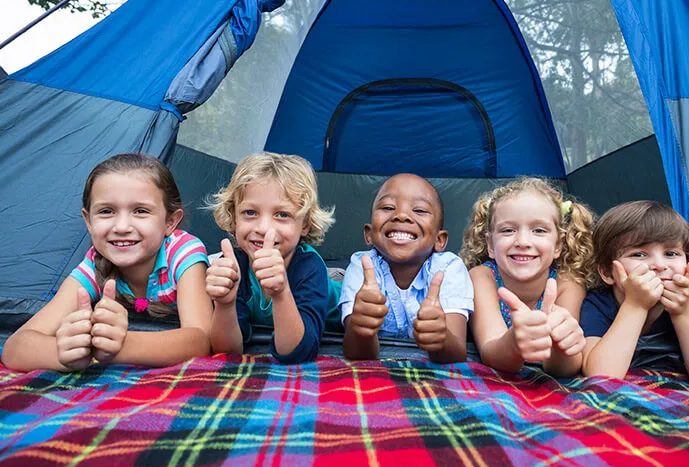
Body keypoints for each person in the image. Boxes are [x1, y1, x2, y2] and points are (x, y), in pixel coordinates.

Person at [1, 153, 212, 372]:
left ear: (170, 221)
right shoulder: (94, 266)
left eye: (140, 211)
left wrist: (119, 347)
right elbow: (15, 348)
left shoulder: (183, 253)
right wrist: (64, 353)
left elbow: (201, 341)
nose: (121, 226)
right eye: (106, 211)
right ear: (88, 220)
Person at [580, 201, 689, 391]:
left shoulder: (683, 301)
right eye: (639, 254)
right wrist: (636, 306)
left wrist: (682, 312)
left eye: (671, 253)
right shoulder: (598, 304)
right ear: (607, 273)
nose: (659, 265)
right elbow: (601, 377)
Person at [205, 152, 336, 363]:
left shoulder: (309, 267)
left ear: (305, 225)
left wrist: (281, 292)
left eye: (282, 215)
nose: (264, 228)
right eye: (250, 212)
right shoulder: (233, 264)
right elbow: (227, 350)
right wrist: (224, 304)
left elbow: (297, 353)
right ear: (233, 217)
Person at [461, 178, 594, 376]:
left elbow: (565, 369)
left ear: (558, 245)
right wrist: (515, 341)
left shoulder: (568, 283)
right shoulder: (481, 277)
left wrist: (561, 346)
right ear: (490, 244)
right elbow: (491, 352)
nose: (523, 241)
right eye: (508, 230)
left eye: (539, 230)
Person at [340, 174, 473, 363]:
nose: (401, 215)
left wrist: (440, 335)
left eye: (419, 210)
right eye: (388, 208)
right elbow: (356, 353)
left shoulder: (449, 269)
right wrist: (361, 328)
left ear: (439, 240)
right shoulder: (362, 265)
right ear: (369, 234)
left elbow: (457, 353)